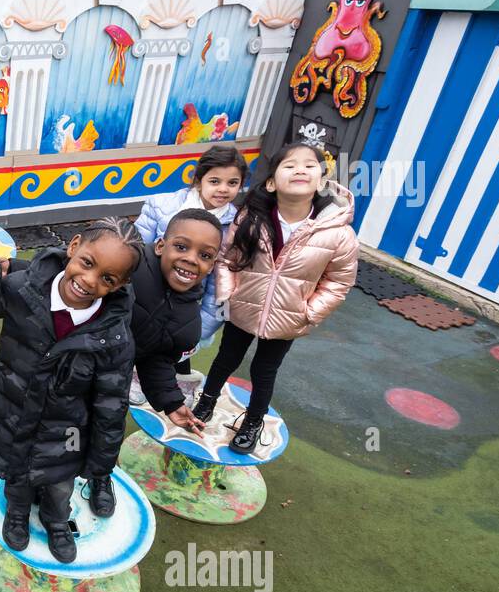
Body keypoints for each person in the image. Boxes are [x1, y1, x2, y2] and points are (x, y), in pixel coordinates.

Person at [0, 219, 141, 564]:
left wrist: (100, 464)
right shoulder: (23, 289)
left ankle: (57, 521)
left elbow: (111, 403)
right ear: (73, 247)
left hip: (67, 432)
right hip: (13, 412)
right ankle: (16, 511)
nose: (89, 280)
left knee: (59, 485)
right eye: (88, 263)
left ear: (121, 284)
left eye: (107, 278)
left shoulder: (114, 335)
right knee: (16, 474)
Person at [194, 142, 359, 452]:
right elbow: (227, 260)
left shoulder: (338, 233)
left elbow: (339, 282)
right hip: (241, 308)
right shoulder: (251, 219)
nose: (300, 169)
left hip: (289, 317)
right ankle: (206, 402)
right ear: (271, 183)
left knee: (264, 370)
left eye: (309, 165)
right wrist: (229, 297)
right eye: (289, 165)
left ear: (321, 181)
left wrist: (309, 312)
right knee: (225, 358)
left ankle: (253, 421)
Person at [132, 143, 247, 404]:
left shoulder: (237, 227)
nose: (223, 189)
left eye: (232, 183)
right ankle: (139, 376)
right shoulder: (161, 206)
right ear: (198, 179)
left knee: (179, 344)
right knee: (142, 340)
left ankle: (178, 384)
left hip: (188, 304)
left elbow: (220, 288)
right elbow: (135, 251)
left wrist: (201, 330)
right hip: (149, 293)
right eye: (215, 180)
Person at [131, 208, 225, 434]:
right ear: (161, 246)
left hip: (104, 386)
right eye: (181, 247)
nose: (191, 259)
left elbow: (156, 358)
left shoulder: (188, 320)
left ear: (212, 265)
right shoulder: (129, 267)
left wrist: (172, 402)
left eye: (205, 256)